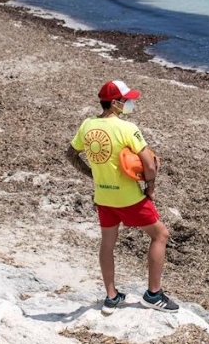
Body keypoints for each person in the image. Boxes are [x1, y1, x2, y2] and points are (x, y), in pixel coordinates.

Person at [66, 80, 179, 315]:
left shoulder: (87, 125)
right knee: (160, 235)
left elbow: (71, 154)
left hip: (103, 197)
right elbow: (149, 164)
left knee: (107, 244)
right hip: (129, 198)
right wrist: (150, 187)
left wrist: (92, 175)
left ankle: (111, 296)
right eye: (127, 100)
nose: (130, 103)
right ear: (116, 103)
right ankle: (153, 295)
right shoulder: (127, 128)